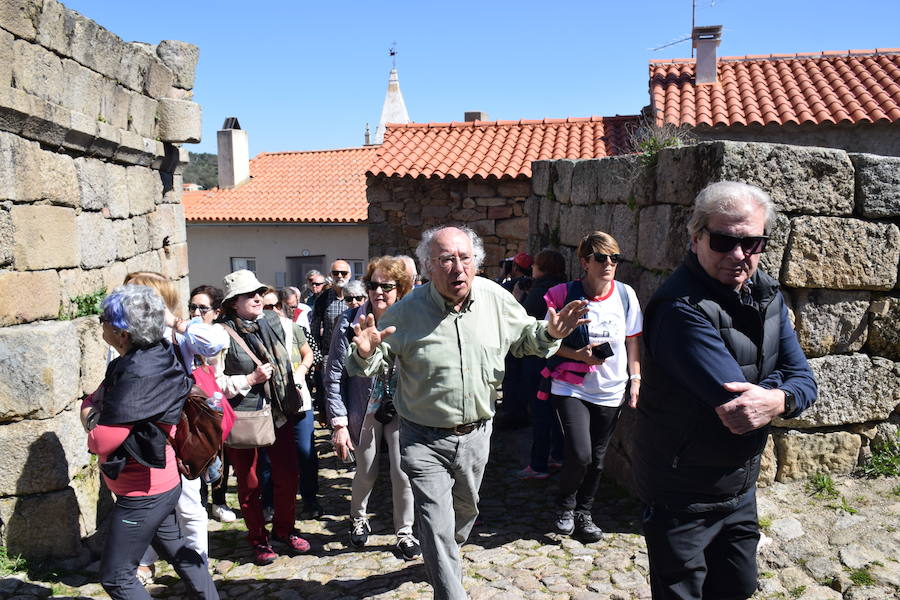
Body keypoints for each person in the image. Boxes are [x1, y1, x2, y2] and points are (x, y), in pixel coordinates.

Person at [346, 225, 589, 600]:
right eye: (446, 260)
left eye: (465, 258)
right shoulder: (406, 312)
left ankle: (442, 554)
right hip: (422, 439)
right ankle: (448, 584)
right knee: (436, 524)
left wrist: (551, 334)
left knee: (465, 511)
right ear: (428, 267)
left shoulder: (496, 298)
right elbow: (372, 362)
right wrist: (363, 352)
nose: (458, 268)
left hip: (477, 434)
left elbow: (529, 341)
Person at [632, 181, 817, 600]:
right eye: (724, 241)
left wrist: (776, 398)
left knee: (738, 587)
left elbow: (805, 380)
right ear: (696, 237)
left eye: (752, 243)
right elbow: (736, 408)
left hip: (738, 484)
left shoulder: (766, 294)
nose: (739, 255)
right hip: (683, 493)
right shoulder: (680, 310)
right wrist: (781, 391)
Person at [82, 285, 219, 600]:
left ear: (122, 333)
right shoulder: (154, 354)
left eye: (104, 319)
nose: (100, 323)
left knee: (117, 578)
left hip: (142, 491)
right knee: (179, 548)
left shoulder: (137, 376)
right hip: (163, 481)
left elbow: (100, 440)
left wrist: (89, 413)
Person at [122, 273, 227, 584]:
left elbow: (216, 342)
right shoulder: (124, 336)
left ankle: (198, 566)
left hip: (179, 434)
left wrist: (174, 322)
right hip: (138, 432)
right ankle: (145, 561)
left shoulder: (179, 335)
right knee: (142, 500)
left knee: (189, 503)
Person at [542, 232, 642, 542]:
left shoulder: (626, 296)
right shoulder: (562, 295)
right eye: (601, 258)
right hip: (571, 386)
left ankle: (584, 513)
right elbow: (543, 342)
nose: (609, 263)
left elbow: (632, 341)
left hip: (611, 388)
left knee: (598, 458)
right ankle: (564, 506)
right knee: (580, 452)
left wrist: (635, 378)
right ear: (585, 262)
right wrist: (577, 354)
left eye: (615, 258)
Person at [214, 270, 310, 565]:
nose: (257, 297)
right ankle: (257, 539)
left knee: (287, 475)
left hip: (279, 412)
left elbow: (302, 351)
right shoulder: (221, 333)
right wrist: (249, 379)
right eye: (248, 294)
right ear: (232, 303)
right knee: (250, 482)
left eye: (258, 292)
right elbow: (215, 382)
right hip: (244, 417)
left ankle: (284, 529)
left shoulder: (274, 323)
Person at [326, 257, 419, 560]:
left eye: (386, 286)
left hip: (402, 406)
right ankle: (358, 519)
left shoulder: (411, 319)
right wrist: (338, 422)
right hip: (364, 405)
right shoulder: (350, 320)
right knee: (365, 469)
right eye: (373, 285)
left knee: (402, 472)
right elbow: (334, 373)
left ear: (401, 289)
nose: (378, 291)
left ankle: (404, 533)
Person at [260, 287, 320, 518]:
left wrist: (301, 371)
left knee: (305, 452)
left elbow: (309, 353)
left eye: (274, 305)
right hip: (270, 404)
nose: (271, 310)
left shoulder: (293, 328)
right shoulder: (253, 331)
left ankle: (310, 499)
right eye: (265, 306)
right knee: (267, 458)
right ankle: (269, 503)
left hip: (298, 399)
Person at [516, 249, 568, 480]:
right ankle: (558, 456)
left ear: (542, 267)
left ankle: (538, 464)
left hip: (537, 361)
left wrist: (519, 297)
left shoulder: (539, 293)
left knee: (540, 412)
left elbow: (519, 323)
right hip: (561, 361)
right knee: (556, 412)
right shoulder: (567, 289)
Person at [189, 285, 237, 524]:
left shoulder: (217, 333)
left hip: (217, 399)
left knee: (218, 454)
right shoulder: (186, 332)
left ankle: (219, 500)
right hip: (194, 403)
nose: (196, 312)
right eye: (192, 307)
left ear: (216, 312)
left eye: (202, 308)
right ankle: (200, 502)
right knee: (196, 453)